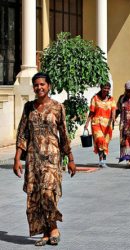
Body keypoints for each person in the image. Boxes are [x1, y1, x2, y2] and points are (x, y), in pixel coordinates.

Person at [13, 72, 76, 246]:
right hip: (33, 160)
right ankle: (46, 232)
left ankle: (53, 227)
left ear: (49, 86)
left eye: (42, 84)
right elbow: (22, 135)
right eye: (36, 85)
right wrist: (17, 159)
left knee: (48, 193)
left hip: (52, 158)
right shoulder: (28, 108)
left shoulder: (58, 107)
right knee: (36, 196)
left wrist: (70, 158)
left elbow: (64, 134)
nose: (39, 87)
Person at [84, 82, 117, 168]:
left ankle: (102, 157)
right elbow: (91, 111)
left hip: (107, 125)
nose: (106, 90)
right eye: (105, 88)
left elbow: (113, 109)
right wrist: (87, 123)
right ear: (101, 88)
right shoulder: (95, 98)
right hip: (96, 123)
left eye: (108, 88)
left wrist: (113, 117)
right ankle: (101, 160)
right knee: (100, 139)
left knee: (105, 142)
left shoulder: (111, 99)